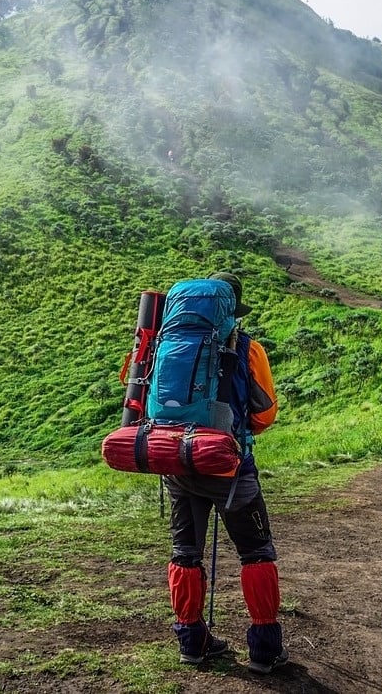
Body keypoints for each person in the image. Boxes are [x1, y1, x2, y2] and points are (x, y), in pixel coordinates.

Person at [163, 272, 288, 675]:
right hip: (228, 467)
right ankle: (264, 651)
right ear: (231, 309)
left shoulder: (166, 342)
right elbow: (265, 415)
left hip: (177, 460)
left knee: (185, 554)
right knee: (256, 552)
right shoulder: (248, 348)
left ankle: (192, 643)